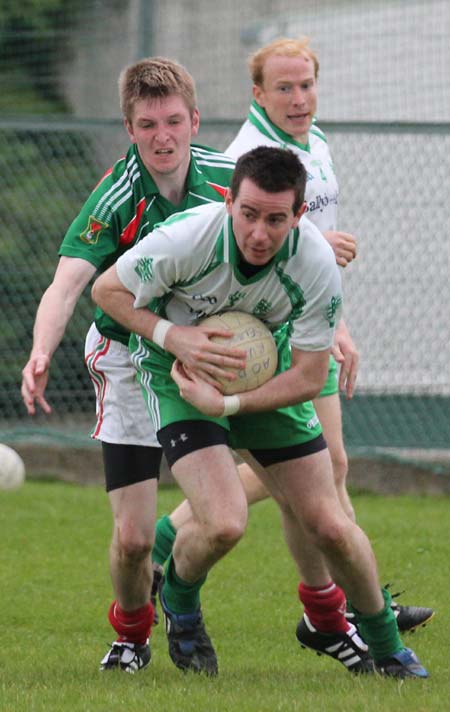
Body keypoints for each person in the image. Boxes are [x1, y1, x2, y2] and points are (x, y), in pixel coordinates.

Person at [92, 145, 428, 680]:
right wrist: (174, 336)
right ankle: (181, 595)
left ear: (298, 217)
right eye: (248, 214)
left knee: (331, 525)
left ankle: (387, 649)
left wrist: (228, 403)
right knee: (224, 523)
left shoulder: (315, 262)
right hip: (179, 373)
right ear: (229, 203)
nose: (258, 233)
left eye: (276, 219)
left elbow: (311, 377)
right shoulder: (189, 238)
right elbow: (106, 288)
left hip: (263, 377)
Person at [150, 36, 434, 643]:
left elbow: (314, 253)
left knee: (325, 469)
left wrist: (341, 327)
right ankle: (335, 611)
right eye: (284, 87)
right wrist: (298, 243)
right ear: (258, 93)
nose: (299, 97)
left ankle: (334, 606)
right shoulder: (251, 156)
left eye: (306, 84)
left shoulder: (316, 143)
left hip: (309, 326)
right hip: (267, 336)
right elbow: (238, 237)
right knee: (312, 474)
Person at [20, 56, 237, 674]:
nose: (162, 136)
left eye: (173, 121)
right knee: (135, 538)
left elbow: (286, 230)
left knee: (286, 477)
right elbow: (65, 287)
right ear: (130, 128)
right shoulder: (116, 196)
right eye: (148, 124)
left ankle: (342, 610)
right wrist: (40, 351)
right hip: (126, 358)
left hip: (199, 356)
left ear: (194, 120)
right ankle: (133, 633)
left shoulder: (229, 178)